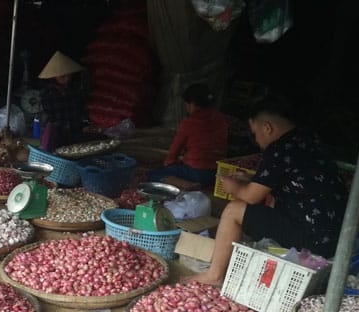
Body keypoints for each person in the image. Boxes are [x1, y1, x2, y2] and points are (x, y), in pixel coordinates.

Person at [189, 94, 347, 286]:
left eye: (255, 134)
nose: (256, 141)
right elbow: (291, 179)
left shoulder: (279, 149)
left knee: (234, 210)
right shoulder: (307, 138)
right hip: (338, 235)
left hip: (313, 239)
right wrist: (252, 179)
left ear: (267, 127)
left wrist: (233, 187)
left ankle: (214, 275)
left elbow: (251, 197)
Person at [148, 83, 228, 188]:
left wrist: (169, 163)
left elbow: (175, 149)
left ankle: (188, 184)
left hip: (197, 172)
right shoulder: (220, 118)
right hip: (218, 172)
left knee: (154, 174)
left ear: (192, 104)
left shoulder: (189, 122)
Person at [38, 51, 88, 151]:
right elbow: (48, 121)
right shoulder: (47, 95)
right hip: (56, 138)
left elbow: (79, 114)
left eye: (69, 75)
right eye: (63, 76)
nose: (67, 78)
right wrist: (67, 126)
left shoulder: (74, 92)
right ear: (54, 77)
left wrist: (84, 125)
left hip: (74, 137)